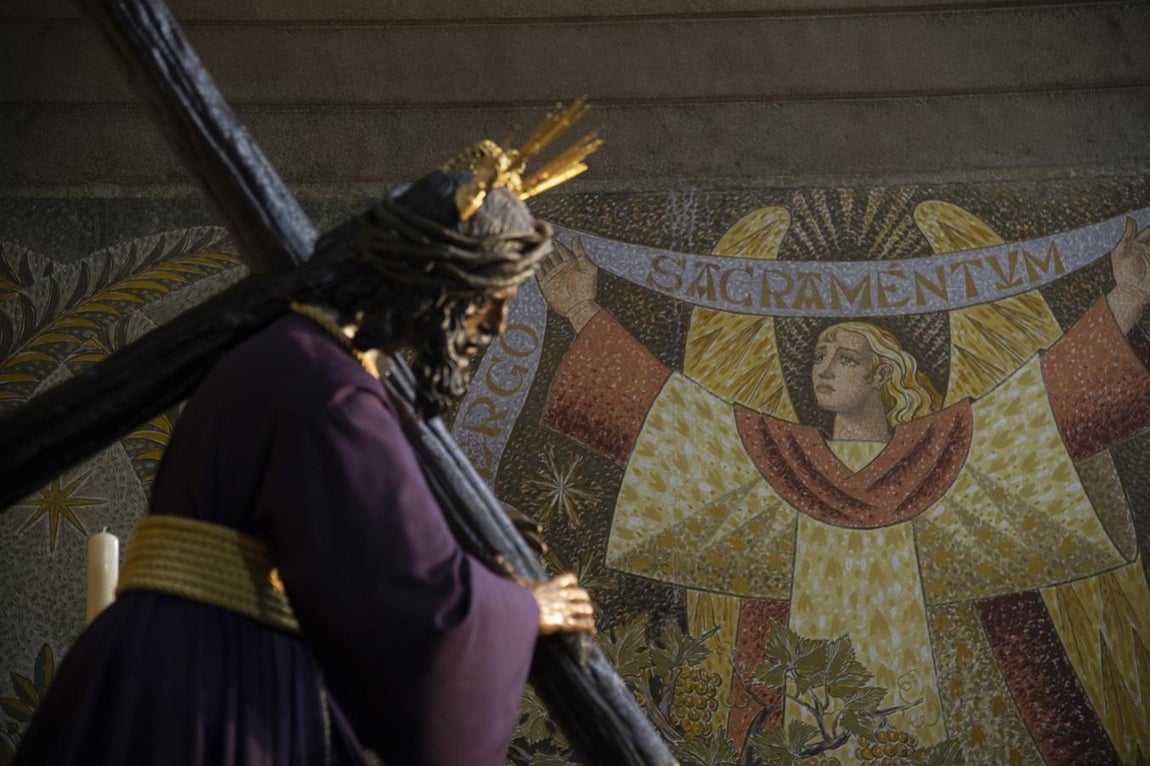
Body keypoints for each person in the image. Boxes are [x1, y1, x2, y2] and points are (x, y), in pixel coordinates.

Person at [13, 169, 595, 766]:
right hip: (219, 693)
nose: (497, 325)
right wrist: (522, 609)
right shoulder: (334, 391)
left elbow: (338, 552)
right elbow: (410, 605)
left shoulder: (293, 354)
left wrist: (462, 560)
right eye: (490, 297)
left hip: (158, 665)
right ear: (434, 274)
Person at [537, 220, 1150, 763]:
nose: (824, 367)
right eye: (819, 354)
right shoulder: (771, 456)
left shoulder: (952, 449)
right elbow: (667, 421)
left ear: (885, 374)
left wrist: (1128, 296)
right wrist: (577, 312)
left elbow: (1045, 410)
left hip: (951, 686)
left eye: (847, 358)